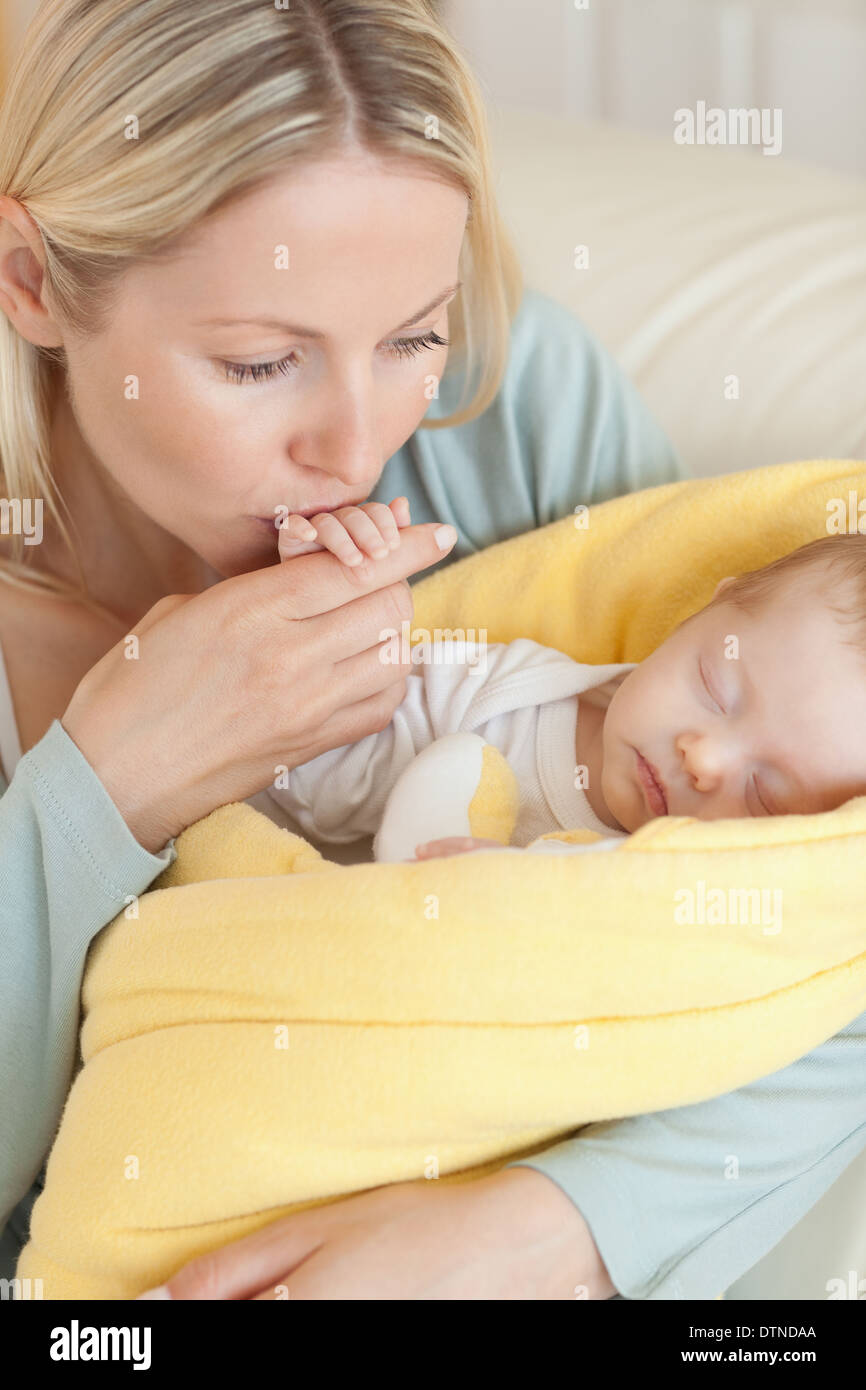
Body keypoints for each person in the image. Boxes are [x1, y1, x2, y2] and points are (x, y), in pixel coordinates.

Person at [0, 0, 862, 1302]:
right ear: (32, 281)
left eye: (411, 335)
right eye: (260, 362)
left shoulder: (514, 412)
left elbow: (823, 920)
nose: (358, 447)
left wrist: (559, 1229)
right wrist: (102, 791)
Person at [267, 527, 866, 849]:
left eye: (765, 796)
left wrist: (523, 901)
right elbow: (305, 762)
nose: (703, 760)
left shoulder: (665, 896)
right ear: (703, 612)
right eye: (715, 688)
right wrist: (324, 602)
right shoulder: (506, 697)